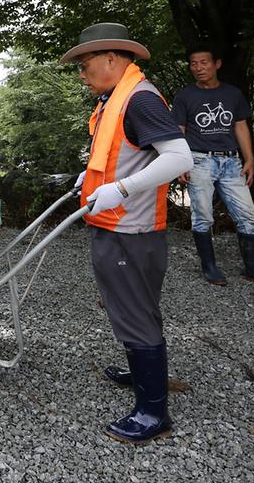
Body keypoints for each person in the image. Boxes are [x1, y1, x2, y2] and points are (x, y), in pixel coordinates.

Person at [61, 22, 192, 444]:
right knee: (128, 304)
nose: (82, 74)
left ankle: (153, 412)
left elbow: (178, 157)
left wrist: (120, 189)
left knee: (135, 311)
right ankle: (139, 372)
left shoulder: (140, 99)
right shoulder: (114, 99)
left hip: (131, 228)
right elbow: (126, 154)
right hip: (115, 224)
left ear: (113, 59)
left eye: (85, 65)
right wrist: (93, 175)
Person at [172, 43, 254, 286]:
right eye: (194, 64)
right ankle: (210, 268)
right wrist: (181, 162)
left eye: (204, 62)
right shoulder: (184, 96)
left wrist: (250, 159)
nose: (199, 68)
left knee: (248, 216)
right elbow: (179, 131)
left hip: (231, 161)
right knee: (202, 216)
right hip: (198, 160)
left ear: (216, 64)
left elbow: (240, 126)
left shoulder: (232, 94)